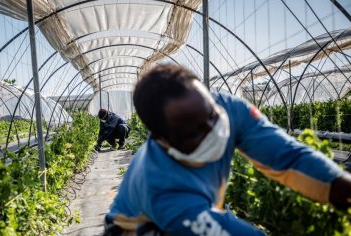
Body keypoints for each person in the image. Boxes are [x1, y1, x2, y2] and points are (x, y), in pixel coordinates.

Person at [104, 64, 351, 235]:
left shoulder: (229, 109)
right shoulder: (161, 188)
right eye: (194, 132)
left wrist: (340, 185)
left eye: (212, 114)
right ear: (162, 139)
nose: (214, 129)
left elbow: (286, 155)